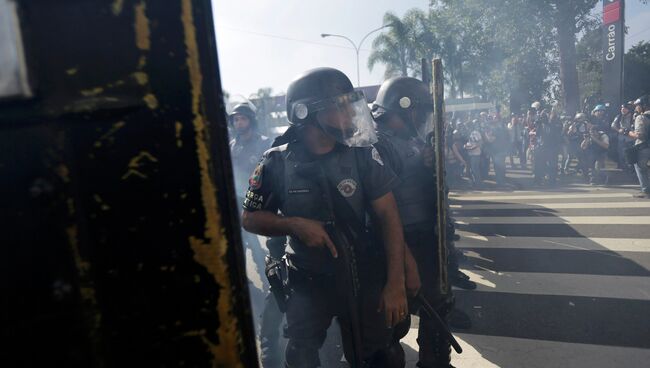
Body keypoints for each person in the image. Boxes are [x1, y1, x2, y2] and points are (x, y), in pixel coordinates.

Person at [241, 67, 408, 367]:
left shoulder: (361, 155)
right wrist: (292, 224)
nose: (348, 114)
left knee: (380, 356)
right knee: (301, 356)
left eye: (349, 105)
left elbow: (389, 217)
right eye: (338, 106)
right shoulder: (276, 161)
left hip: (363, 277)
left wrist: (396, 283)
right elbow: (249, 218)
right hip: (307, 281)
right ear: (305, 113)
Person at [371, 76, 462, 368]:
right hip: (397, 245)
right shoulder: (377, 145)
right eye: (421, 111)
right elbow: (383, 212)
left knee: (436, 312)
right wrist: (405, 264)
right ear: (405, 108)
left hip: (423, 240)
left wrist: (431, 166)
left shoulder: (410, 141)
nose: (423, 118)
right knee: (390, 326)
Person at [625, 96, 650, 198]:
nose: (636, 108)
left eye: (637, 106)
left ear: (643, 106)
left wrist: (628, 132)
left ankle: (646, 190)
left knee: (640, 168)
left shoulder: (641, 117)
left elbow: (639, 135)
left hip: (644, 147)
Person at [580, 117, 610, 185]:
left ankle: (594, 179)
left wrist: (595, 139)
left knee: (597, 166)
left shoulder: (603, 136)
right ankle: (602, 177)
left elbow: (606, 146)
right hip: (592, 153)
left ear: (597, 131)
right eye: (591, 132)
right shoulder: (590, 136)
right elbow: (583, 147)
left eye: (594, 132)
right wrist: (586, 140)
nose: (592, 134)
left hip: (602, 153)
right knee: (590, 166)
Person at [611, 102, 636, 171]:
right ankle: (622, 167)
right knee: (621, 153)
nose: (622, 109)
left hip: (631, 139)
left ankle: (632, 168)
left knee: (631, 154)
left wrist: (629, 132)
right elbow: (613, 125)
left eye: (624, 108)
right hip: (621, 138)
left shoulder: (633, 116)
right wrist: (618, 130)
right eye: (622, 108)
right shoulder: (619, 116)